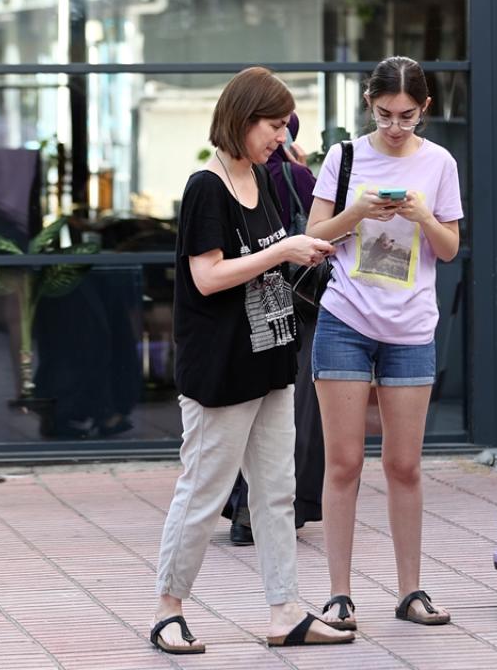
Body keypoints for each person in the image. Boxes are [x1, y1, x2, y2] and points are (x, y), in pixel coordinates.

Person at [151, 67, 353, 653]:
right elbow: (207, 276)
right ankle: (168, 609)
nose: (281, 134)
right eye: (272, 124)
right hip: (220, 372)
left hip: (269, 361)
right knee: (205, 490)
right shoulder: (205, 188)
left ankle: (284, 610)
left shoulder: (261, 180)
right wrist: (283, 250)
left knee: (276, 493)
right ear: (241, 120)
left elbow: (261, 264)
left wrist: (299, 253)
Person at [306, 56, 463, 630]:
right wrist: (356, 211)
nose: (396, 127)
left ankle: (410, 591)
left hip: (412, 328)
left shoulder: (439, 163)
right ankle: (340, 594)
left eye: (407, 116)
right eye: (384, 114)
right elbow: (313, 235)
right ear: (369, 105)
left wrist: (421, 214)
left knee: (404, 465)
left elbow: (448, 249)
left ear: (424, 109)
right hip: (345, 318)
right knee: (343, 463)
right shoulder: (344, 156)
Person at [222, 112, 326, 544]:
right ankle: (270, 509)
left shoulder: (234, 176)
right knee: (291, 404)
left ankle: (242, 507)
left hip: (245, 297)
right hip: (294, 301)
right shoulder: (297, 176)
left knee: (250, 400)